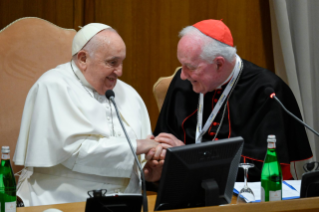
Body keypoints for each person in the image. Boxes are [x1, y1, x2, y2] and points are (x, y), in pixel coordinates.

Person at [13, 23, 164, 206]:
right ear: (83, 59)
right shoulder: (53, 86)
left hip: (127, 201)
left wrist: (149, 170)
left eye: (121, 62)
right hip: (65, 199)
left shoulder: (128, 93)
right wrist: (137, 145)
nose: (120, 71)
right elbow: (73, 152)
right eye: (112, 62)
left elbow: (141, 160)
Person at [153, 19, 313, 182]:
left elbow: (262, 168)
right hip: (184, 186)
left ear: (219, 64)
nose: (182, 75)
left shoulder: (266, 90)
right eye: (182, 65)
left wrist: (189, 157)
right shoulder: (182, 84)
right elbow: (163, 143)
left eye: (191, 67)